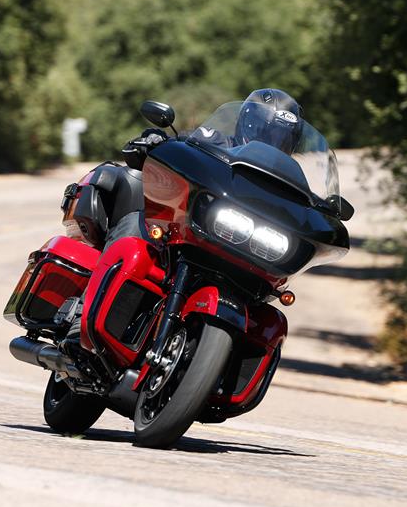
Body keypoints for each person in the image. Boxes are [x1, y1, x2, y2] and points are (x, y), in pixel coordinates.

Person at [62, 87, 303, 353]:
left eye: (281, 134)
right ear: (247, 121)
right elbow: (178, 148)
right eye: (265, 128)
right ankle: (83, 310)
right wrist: (155, 141)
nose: (272, 139)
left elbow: (307, 209)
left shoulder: (292, 182)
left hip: (243, 256)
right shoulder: (212, 140)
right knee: (135, 220)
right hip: (190, 235)